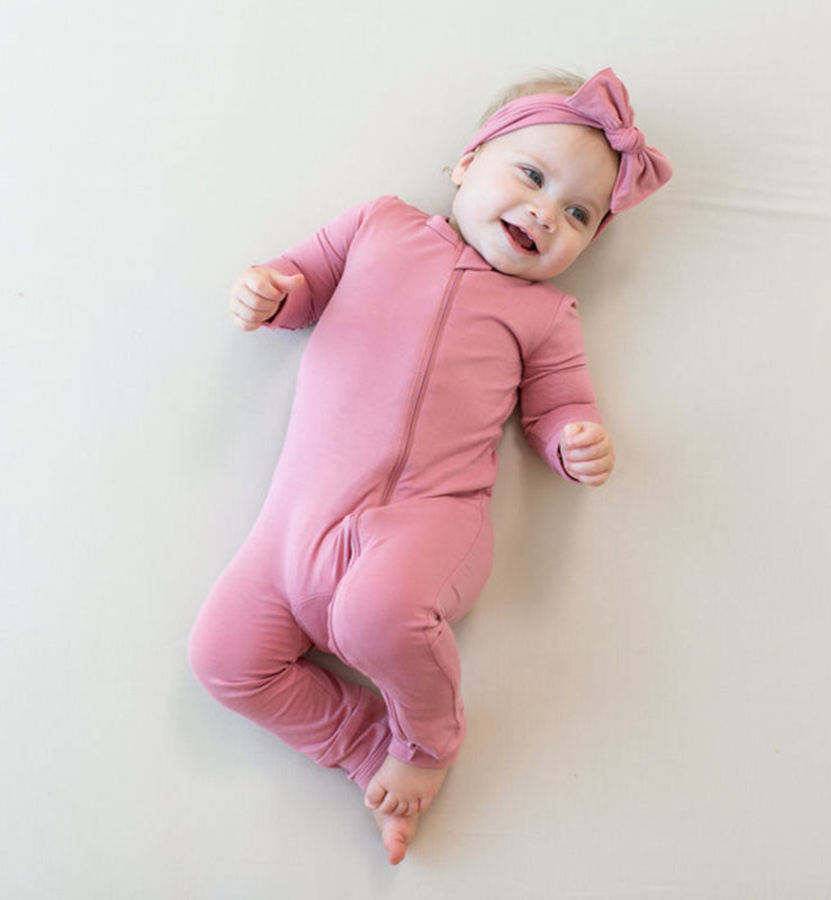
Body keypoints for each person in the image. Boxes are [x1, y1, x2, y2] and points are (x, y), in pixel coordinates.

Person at [187, 65, 672, 865]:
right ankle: (362, 741)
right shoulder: (377, 226)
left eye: (579, 213)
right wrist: (268, 293)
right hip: (295, 525)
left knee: (376, 614)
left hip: (427, 523)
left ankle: (427, 744)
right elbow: (301, 283)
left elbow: (556, 408)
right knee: (223, 658)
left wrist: (574, 440)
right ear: (466, 162)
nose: (545, 213)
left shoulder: (545, 315)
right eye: (532, 176)